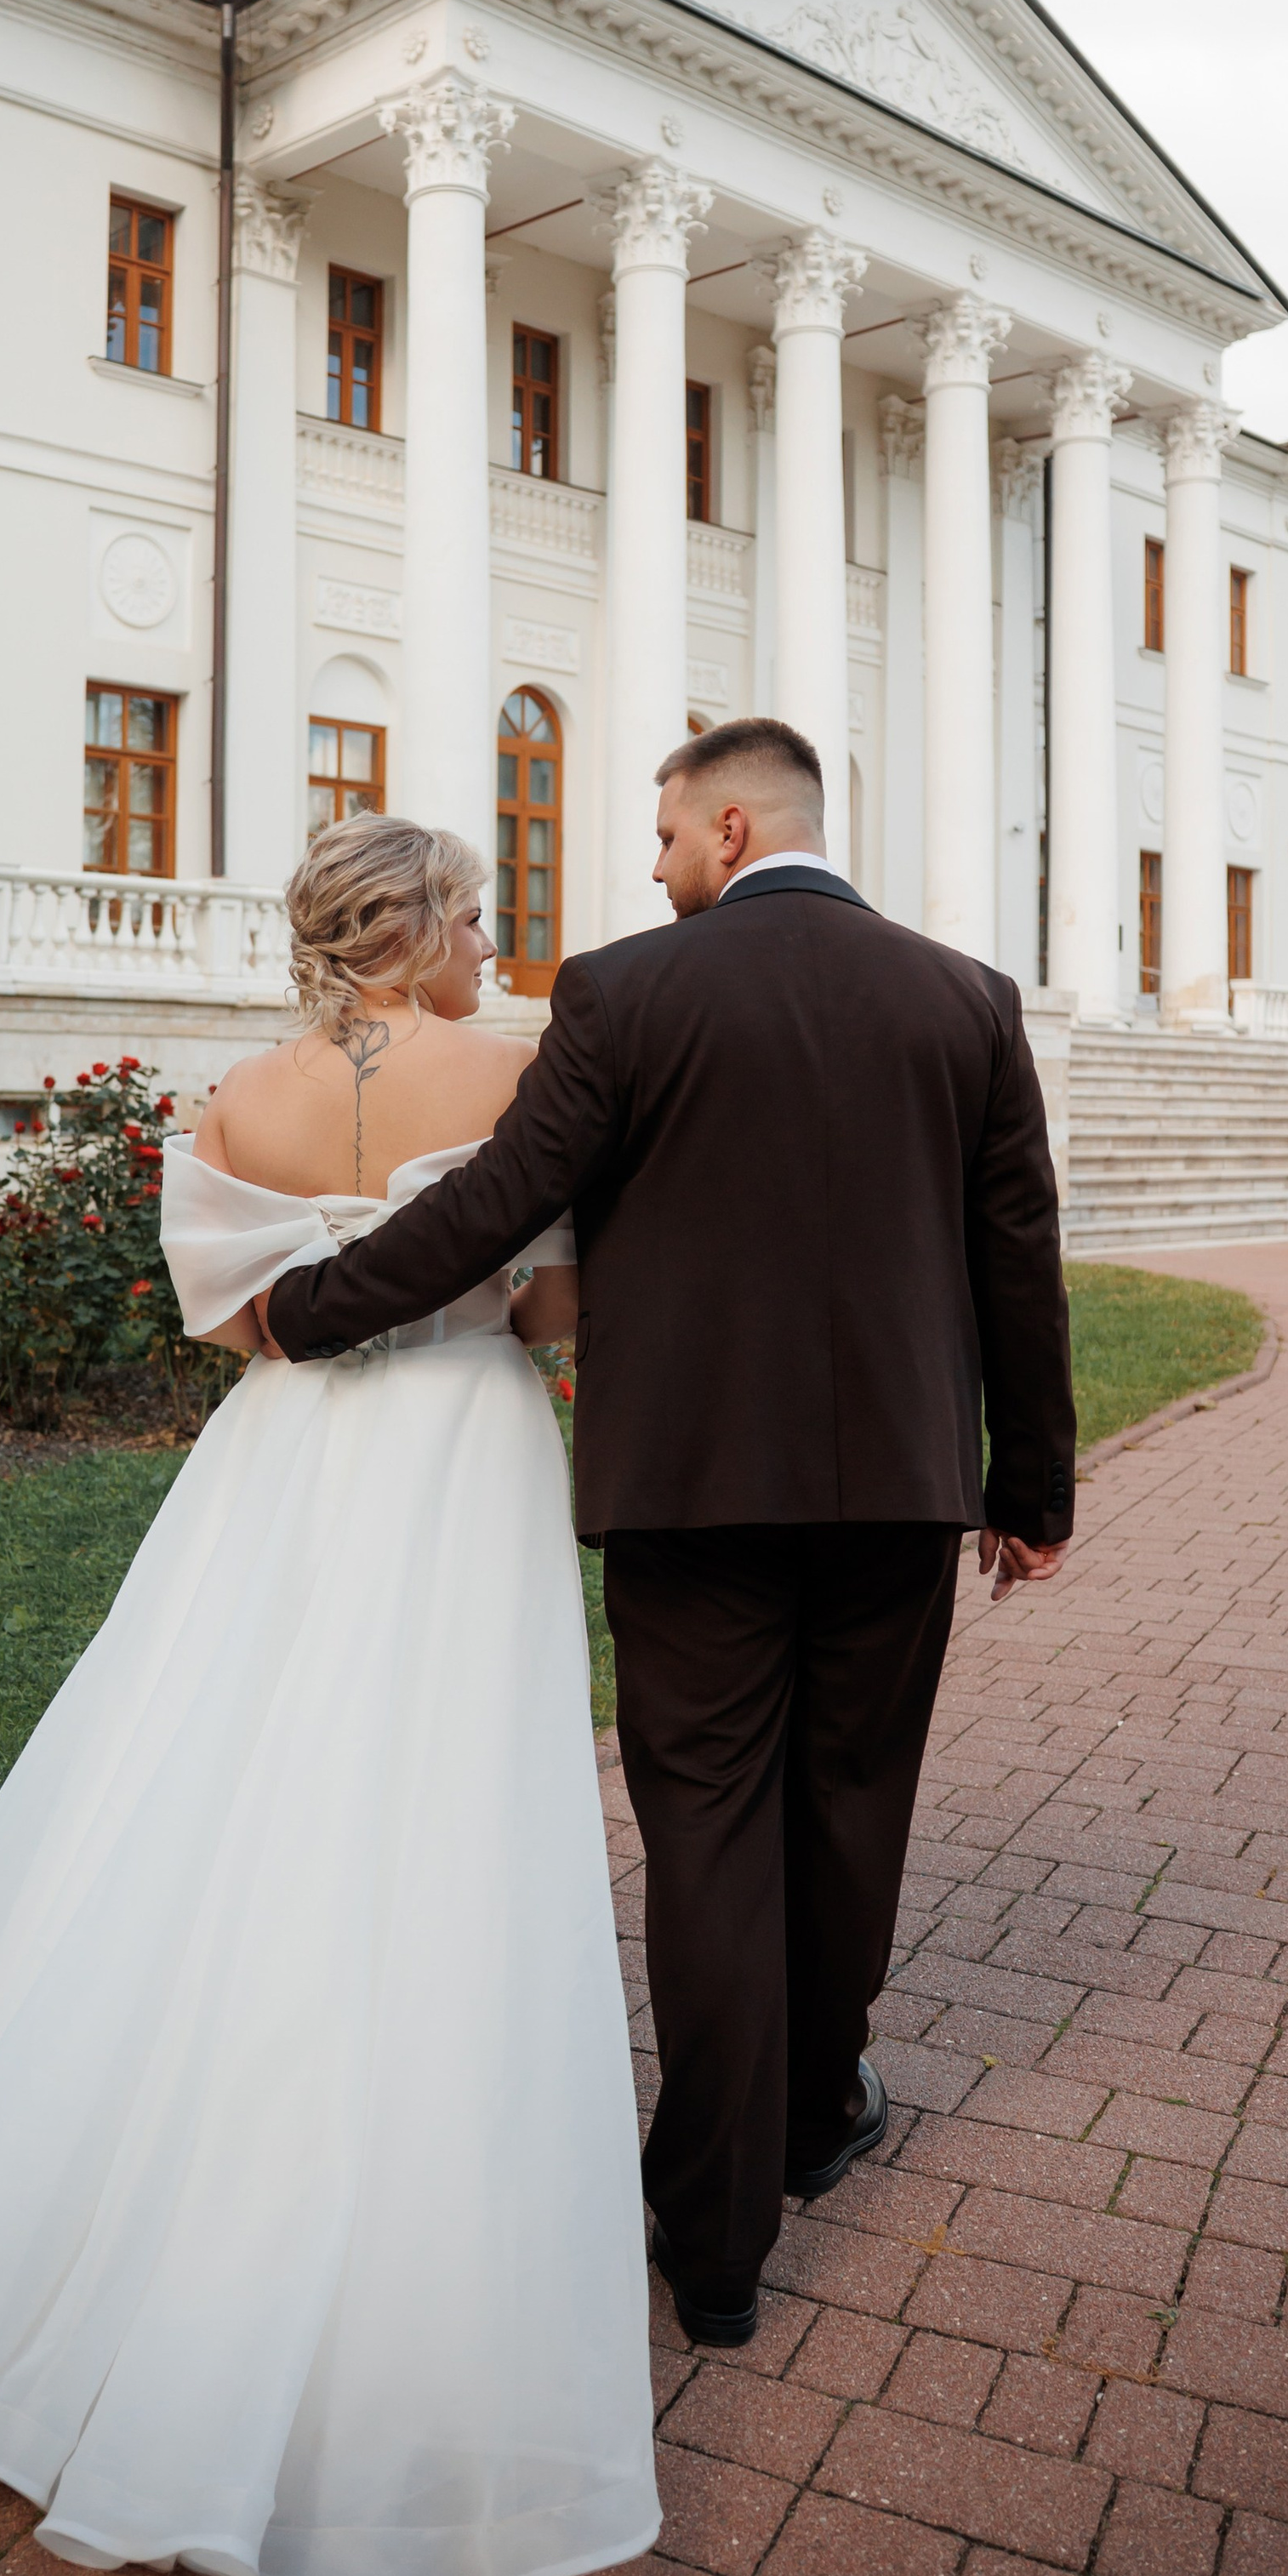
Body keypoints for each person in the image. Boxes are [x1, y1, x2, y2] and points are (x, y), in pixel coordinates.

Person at [0, 812, 659, 2576]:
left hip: (277, 1462)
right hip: (451, 1457)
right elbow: (542, 1315)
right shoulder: (509, 1072)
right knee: (426, 1797)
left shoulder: (237, 1095)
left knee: (200, 1769)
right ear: (422, 922)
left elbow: (235, 1328)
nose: (488, 945)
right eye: (473, 915)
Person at [260, 717, 1076, 2345]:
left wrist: (312, 1308)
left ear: (725, 824)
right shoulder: (967, 1000)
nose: (646, 869)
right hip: (903, 1491)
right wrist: (1032, 1490)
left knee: (706, 1829)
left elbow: (496, 1201)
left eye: (656, 839)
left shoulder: (626, 994)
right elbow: (1018, 1256)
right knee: (851, 1802)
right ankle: (815, 2113)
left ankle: (710, 2242)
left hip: (689, 1489)